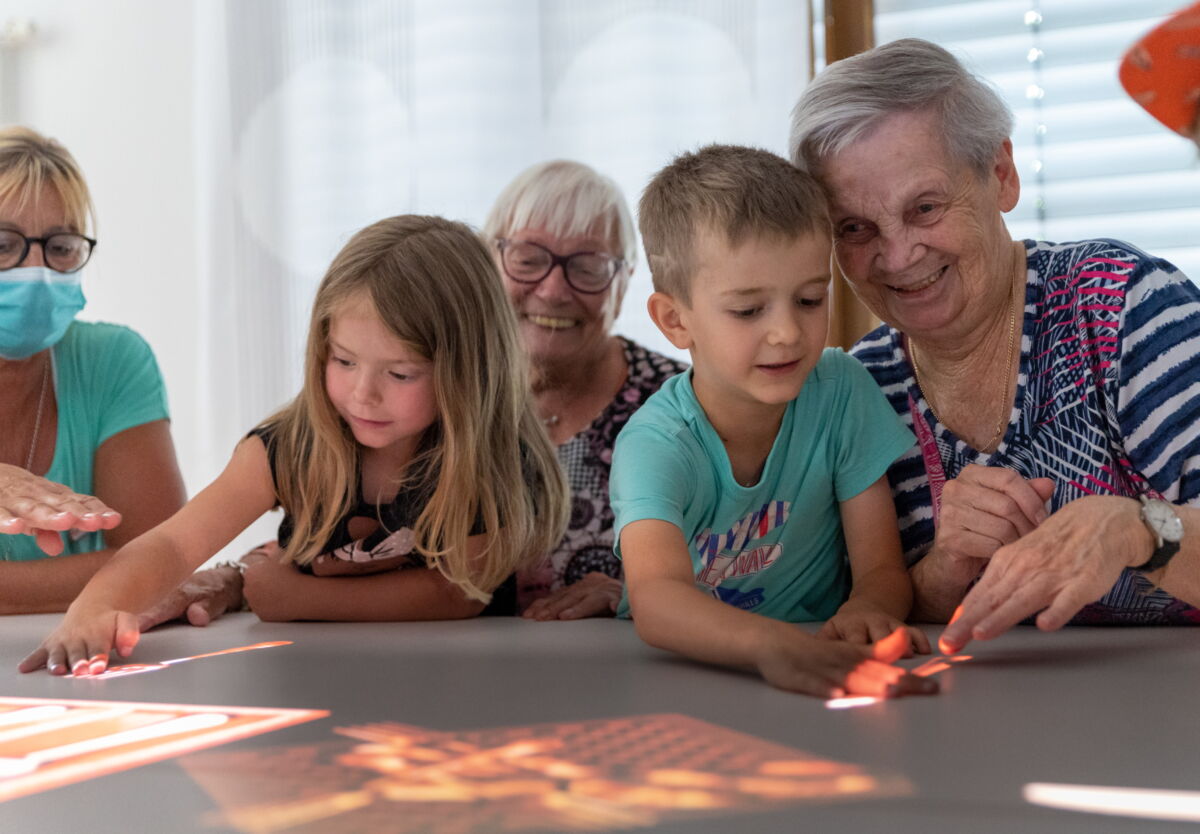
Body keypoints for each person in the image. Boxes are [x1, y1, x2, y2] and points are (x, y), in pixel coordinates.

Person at [788, 38, 1200, 654]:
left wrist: (1136, 528)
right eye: (855, 228)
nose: (898, 256)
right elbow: (875, 610)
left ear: (1000, 175)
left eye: (925, 208)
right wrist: (947, 564)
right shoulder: (858, 387)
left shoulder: (1121, 305)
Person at [20, 215, 569, 676]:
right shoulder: (287, 447)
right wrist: (96, 606)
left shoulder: (500, 461)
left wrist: (283, 595)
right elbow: (172, 545)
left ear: (470, 373)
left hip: (469, 683)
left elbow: (455, 597)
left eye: (400, 374)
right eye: (344, 361)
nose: (363, 394)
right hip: (311, 678)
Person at [611, 144, 936, 699]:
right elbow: (658, 602)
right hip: (692, 676)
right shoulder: (655, 444)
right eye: (747, 310)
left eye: (810, 299)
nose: (787, 332)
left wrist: (867, 612)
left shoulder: (841, 391)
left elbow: (881, 567)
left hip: (820, 667)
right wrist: (778, 647)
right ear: (674, 320)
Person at [482, 161, 687, 619]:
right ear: (488, 262)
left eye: (588, 266)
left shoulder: (682, 405)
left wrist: (637, 591)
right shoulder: (441, 395)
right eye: (528, 259)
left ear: (626, 279)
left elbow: (750, 560)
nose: (553, 290)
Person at [0, 126, 186, 612]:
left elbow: (166, 560)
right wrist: (110, 573)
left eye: (60, 247)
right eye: (3, 245)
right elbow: (137, 566)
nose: (37, 271)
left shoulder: (113, 361)